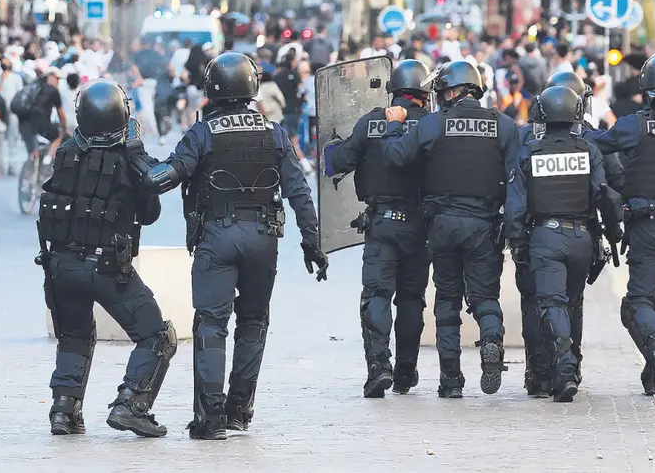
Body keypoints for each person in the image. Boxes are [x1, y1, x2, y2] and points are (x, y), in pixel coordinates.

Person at [126, 52, 328, 440]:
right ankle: (238, 412)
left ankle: (210, 418)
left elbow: (160, 179)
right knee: (254, 322)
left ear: (212, 90)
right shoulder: (274, 133)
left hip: (216, 239)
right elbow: (300, 192)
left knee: (211, 324)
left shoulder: (202, 133)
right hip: (264, 239)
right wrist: (312, 242)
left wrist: (134, 150)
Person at [36, 80, 176, 438]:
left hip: (61, 266)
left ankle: (64, 411)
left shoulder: (66, 151)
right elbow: (150, 214)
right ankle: (131, 405)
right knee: (157, 336)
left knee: (74, 336)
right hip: (108, 267)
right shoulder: (130, 158)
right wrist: (136, 151)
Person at [380, 60, 517, 398]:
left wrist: (394, 125)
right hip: (484, 225)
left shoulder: (433, 124)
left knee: (448, 301)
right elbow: (517, 181)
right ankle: (491, 340)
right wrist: (513, 229)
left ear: (452, 92)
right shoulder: (504, 126)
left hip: (442, 224)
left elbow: (395, 157)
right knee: (485, 297)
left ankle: (451, 381)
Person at [322, 60, 433, 397]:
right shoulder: (432, 125)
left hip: (381, 224)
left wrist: (332, 143)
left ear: (392, 91)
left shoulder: (370, 122)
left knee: (377, 295)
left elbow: (336, 163)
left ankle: (378, 367)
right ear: (424, 95)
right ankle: (405, 371)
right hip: (420, 227)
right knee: (411, 299)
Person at [590, 52, 655, 399]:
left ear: (646, 87)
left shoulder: (633, 125)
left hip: (649, 224)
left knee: (638, 303)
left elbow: (594, 143)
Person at [505, 85, 622, 402]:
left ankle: (564, 370)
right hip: (582, 238)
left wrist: (517, 243)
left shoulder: (530, 151)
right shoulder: (589, 150)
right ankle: (569, 369)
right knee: (572, 304)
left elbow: (515, 205)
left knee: (551, 304)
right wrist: (613, 232)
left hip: (545, 238)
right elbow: (604, 194)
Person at [17, 68, 68, 164]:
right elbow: (61, 113)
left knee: (32, 150)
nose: (58, 82)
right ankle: (47, 161)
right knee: (58, 135)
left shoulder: (33, 85)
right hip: (41, 124)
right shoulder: (53, 90)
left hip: (24, 123)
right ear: (51, 76)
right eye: (57, 79)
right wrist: (65, 128)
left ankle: (32, 160)